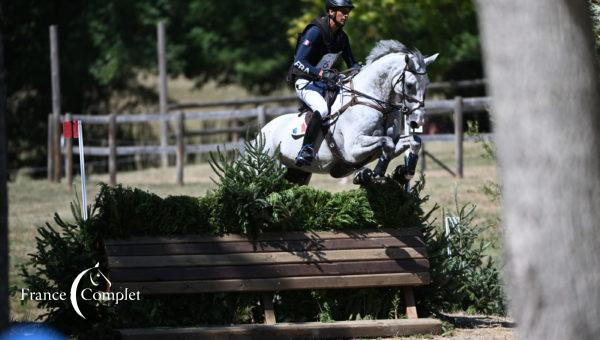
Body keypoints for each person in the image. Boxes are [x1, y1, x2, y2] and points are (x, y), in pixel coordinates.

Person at [288, 0, 361, 166]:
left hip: (324, 83)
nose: (346, 15)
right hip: (304, 81)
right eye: (342, 11)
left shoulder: (342, 37)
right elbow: (299, 61)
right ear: (330, 12)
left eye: (347, 11)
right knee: (322, 109)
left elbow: (352, 64)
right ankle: (306, 149)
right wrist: (319, 73)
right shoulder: (315, 31)